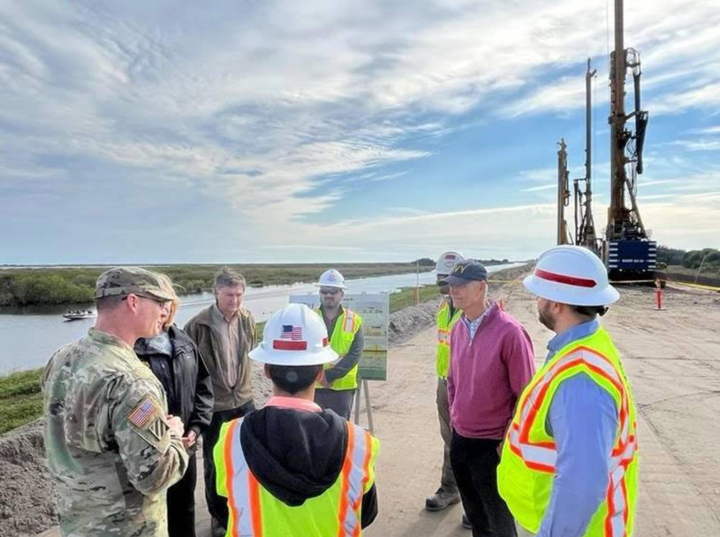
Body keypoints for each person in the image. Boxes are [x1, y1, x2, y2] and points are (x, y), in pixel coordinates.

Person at [497, 245, 639, 537]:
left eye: (540, 293)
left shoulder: (581, 380)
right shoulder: (582, 345)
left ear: (557, 303)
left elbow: (582, 484)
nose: (537, 300)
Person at [42, 267, 189, 537]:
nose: (165, 312)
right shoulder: (131, 381)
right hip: (127, 528)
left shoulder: (62, 359)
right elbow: (154, 477)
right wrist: (175, 437)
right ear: (133, 302)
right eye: (159, 303)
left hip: (78, 524)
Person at [213, 303, 379, 536]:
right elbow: (367, 513)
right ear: (320, 372)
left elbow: (221, 507)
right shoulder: (359, 443)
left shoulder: (230, 438)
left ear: (267, 371)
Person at [444, 260, 536, 537]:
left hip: (493, 446)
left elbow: (527, 395)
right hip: (461, 441)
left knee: (499, 521)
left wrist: (506, 441)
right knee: (476, 518)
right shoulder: (457, 329)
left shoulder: (510, 332)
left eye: (461, 286)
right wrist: (454, 423)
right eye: (451, 285)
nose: (453, 291)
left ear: (482, 287)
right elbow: (453, 382)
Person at [134, 274, 214, 537]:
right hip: (150, 454)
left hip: (185, 447)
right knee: (151, 515)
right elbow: (131, 407)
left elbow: (203, 385)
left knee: (184, 509)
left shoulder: (182, 341)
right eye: (158, 301)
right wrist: (160, 429)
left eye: (168, 301)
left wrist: (197, 427)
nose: (165, 308)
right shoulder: (132, 347)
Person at [184, 267, 257, 537]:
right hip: (214, 407)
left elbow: (250, 353)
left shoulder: (247, 319)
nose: (235, 300)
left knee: (247, 458)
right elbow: (189, 369)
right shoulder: (197, 325)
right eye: (229, 294)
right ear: (216, 292)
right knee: (216, 464)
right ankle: (219, 516)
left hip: (244, 402)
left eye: (239, 294)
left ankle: (243, 509)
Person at [426, 252, 467, 523]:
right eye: (442, 281)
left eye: (449, 282)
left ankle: (477, 503)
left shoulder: (474, 310)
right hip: (445, 384)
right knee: (450, 442)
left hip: (467, 388)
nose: (446, 287)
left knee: (472, 445)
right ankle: (450, 489)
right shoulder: (444, 307)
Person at [312, 268, 364, 419]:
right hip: (314, 386)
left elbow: (355, 354)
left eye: (333, 291)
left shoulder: (354, 320)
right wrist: (320, 376)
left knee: (339, 432)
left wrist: (330, 376)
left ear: (342, 294)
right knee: (313, 431)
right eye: (324, 291)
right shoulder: (310, 318)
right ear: (320, 293)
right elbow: (304, 351)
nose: (328, 295)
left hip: (342, 388)